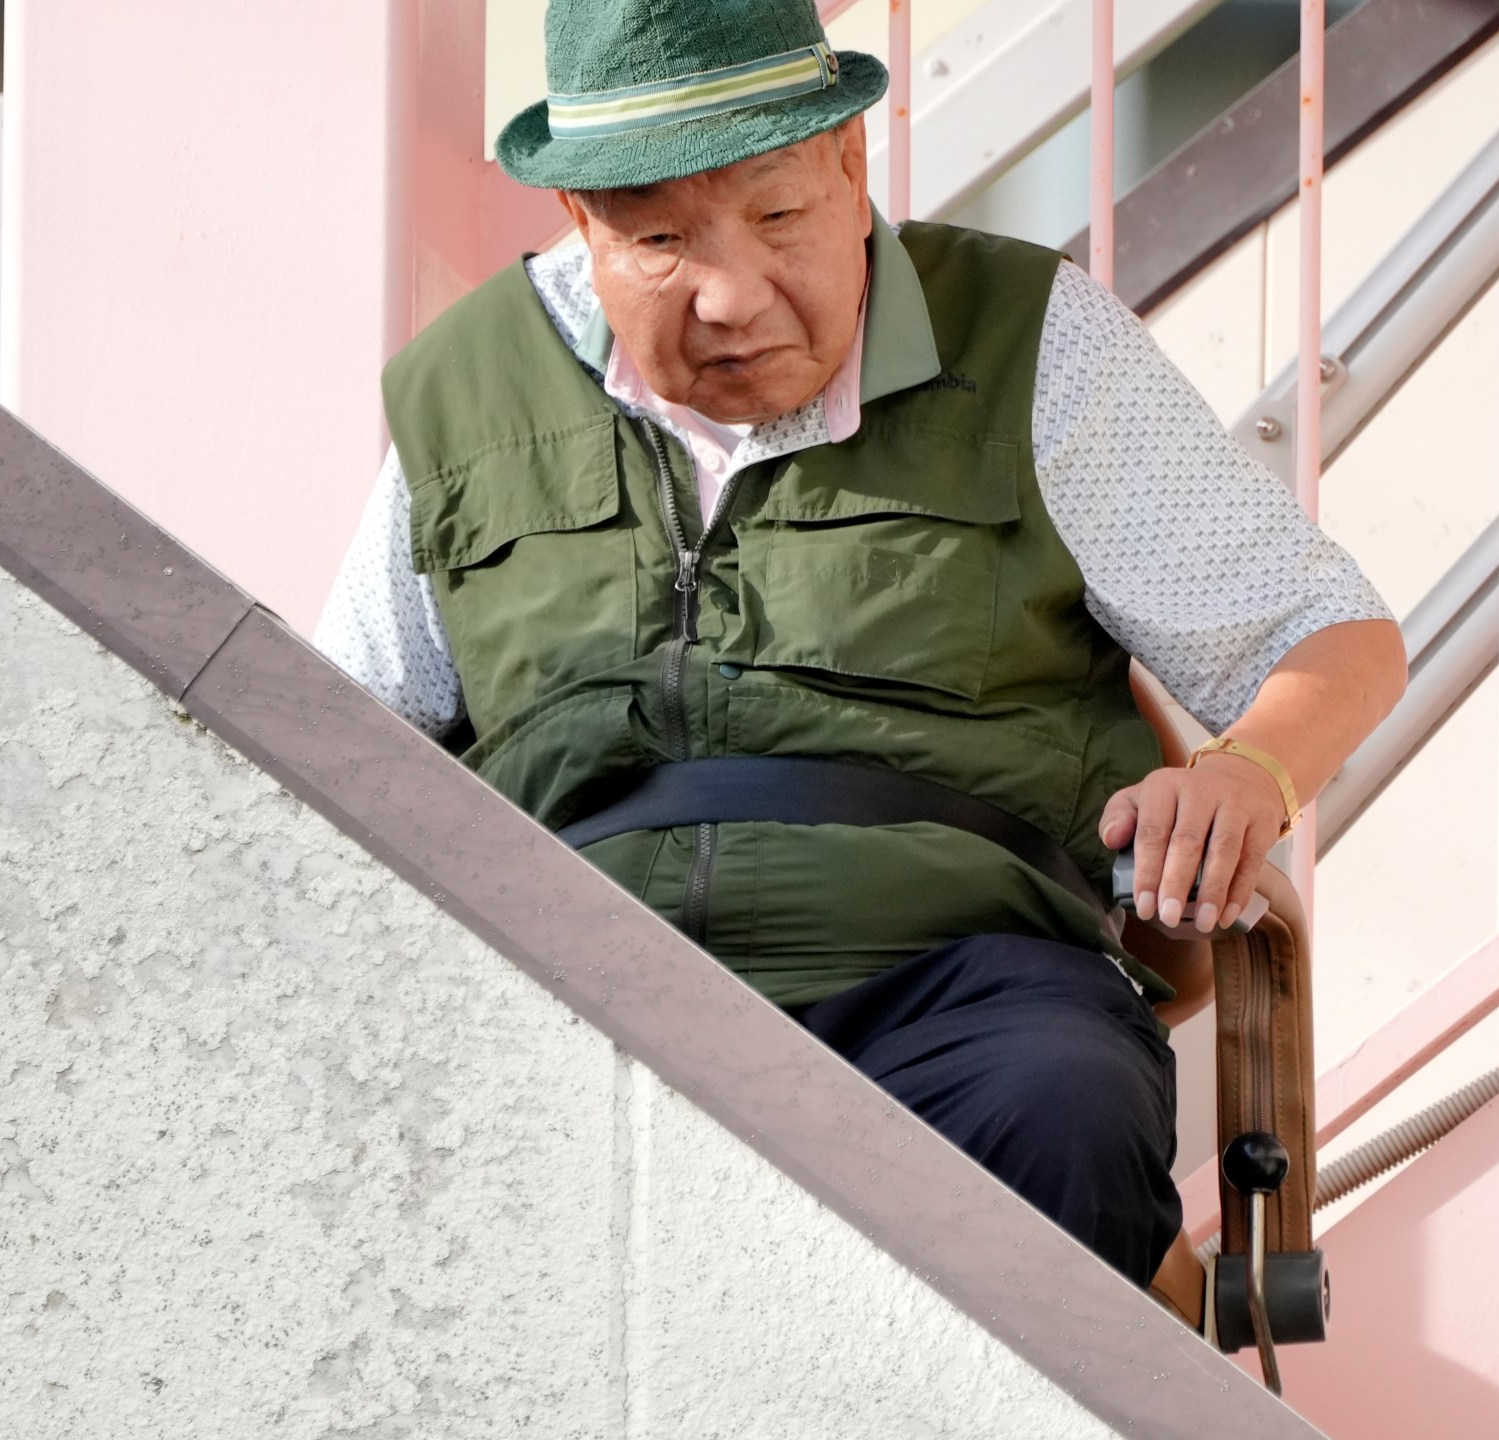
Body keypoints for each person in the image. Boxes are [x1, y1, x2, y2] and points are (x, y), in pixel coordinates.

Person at [315, 0, 1404, 1300]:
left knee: (1062, 1108)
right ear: (582, 222)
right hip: (571, 994)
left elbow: (1324, 635)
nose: (733, 298)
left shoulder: (1027, 337)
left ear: (848, 161)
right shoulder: (468, 389)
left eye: (778, 219)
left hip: (955, 986)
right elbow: (336, 750)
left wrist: (1247, 778)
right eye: (661, 240)